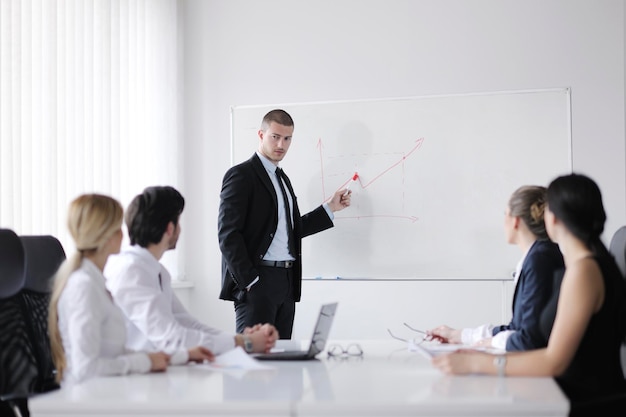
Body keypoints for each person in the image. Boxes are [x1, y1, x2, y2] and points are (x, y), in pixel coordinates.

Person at [430, 173, 626, 415]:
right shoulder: (589, 264)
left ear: (552, 218)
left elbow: (555, 361)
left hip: (584, 402)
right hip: (573, 395)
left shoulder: (584, 271)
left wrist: (475, 362)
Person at [48, 194, 212, 386]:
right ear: (105, 236)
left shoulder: (97, 282)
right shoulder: (83, 287)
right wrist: (144, 362)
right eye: (118, 229)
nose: (123, 235)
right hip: (89, 398)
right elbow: (85, 369)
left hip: (107, 391)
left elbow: (117, 353)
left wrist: (182, 355)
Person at [218, 109, 352, 339]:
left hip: (286, 283)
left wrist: (329, 208)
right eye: (275, 136)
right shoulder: (241, 175)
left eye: (287, 138)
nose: (281, 144)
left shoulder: (281, 178)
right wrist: (250, 281)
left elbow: (289, 229)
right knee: (254, 361)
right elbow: (228, 234)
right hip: (258, 282)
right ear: (261, 135)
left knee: (284, 362)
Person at [105, 186, 278, 357]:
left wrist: (243, 339)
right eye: (178, 222)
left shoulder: (155, 270)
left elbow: (188, 324)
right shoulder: (131, 272)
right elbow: (172, 338)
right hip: (133, 376)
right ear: (169, 229)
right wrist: (245, 343)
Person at [428, 185, 565, 351]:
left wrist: (494, 342)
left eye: (505, 214)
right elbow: (517, 327)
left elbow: (529, 338)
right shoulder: (539, 255)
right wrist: (461, 335)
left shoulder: (540, 260)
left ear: (515, 221)